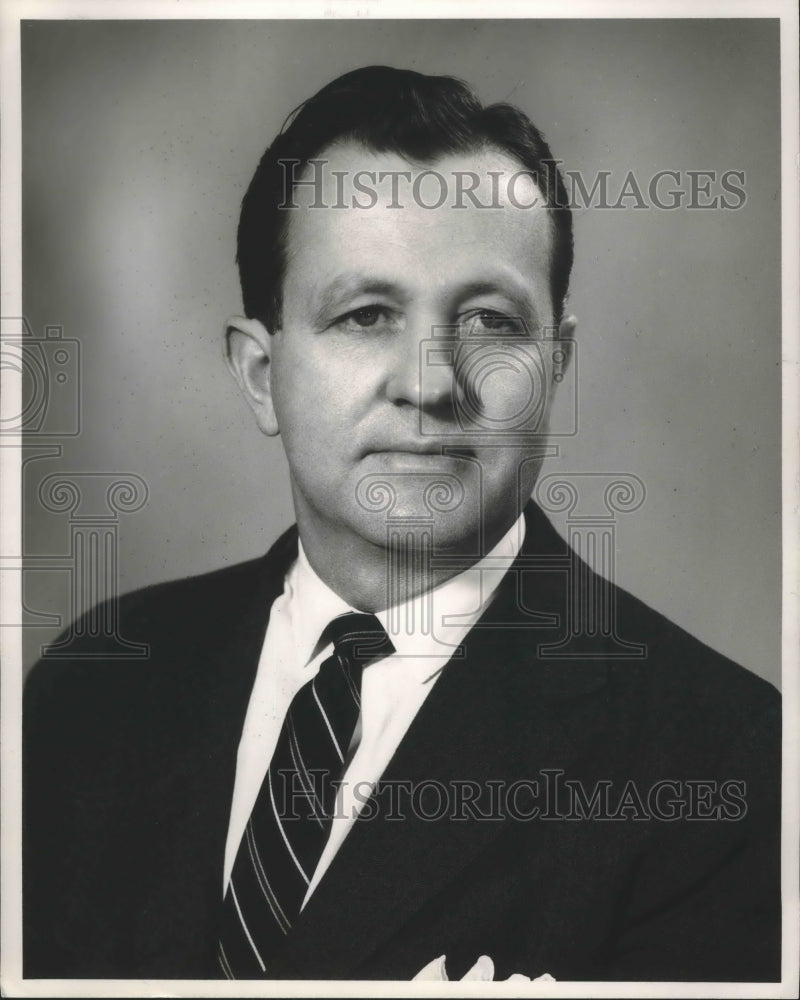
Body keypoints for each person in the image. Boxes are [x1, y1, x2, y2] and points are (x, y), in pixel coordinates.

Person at [23, 66, 780, 983]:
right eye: (367, 315)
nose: (430, 384)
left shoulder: (729, 761)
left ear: (556, 365)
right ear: (262, 374)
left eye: (490, 322)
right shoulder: (88, 689)